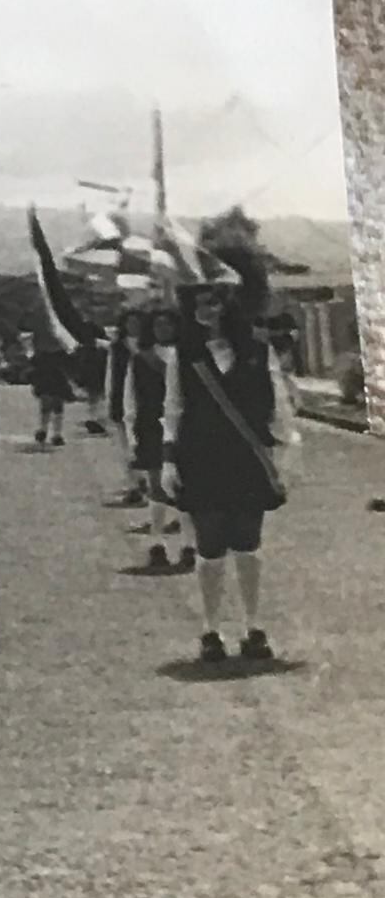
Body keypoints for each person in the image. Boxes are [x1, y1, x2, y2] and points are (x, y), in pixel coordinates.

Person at [162, 275, 300, 663]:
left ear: (228, 306)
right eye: (199, 304)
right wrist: (169, 459)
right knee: (209, 545)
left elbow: (278, 403)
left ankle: (253, 627)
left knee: (248, 542)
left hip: (246, 455)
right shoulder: (183, 354)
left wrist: (288, 450)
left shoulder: (257, 349)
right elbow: (173, 409)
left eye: (214, 302)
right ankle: (210, 630)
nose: (207, 311)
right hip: (200, 457)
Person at [124, 307, 196, 570]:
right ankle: (157, 543)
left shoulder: (189, 357)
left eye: (167, 325)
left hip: (184, 427)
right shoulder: (141, 359)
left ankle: (190, 545)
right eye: (157, 325)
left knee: (187, 488)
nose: (162, 330)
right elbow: (130, 398)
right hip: (151, 427)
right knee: (157, 488)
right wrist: (131, 434)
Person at [110, 309, 149, 504]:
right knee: (127, 446)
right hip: (121, 398)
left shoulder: (150, 346)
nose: (133, 326)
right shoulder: (118, 347)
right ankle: (134, 484)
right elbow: (112, 374)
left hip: (146, 398)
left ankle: (145, 482)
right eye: (130, 322)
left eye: (136, 322)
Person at [26, 326, 74, 446]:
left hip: (56, 378)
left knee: (56, 404)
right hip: (47, 377)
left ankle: (55, 433)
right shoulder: (42, 351)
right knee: (47, 403)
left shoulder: (61, 351)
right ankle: (45, 430)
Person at [71, 323, 109, 435]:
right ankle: (96, 420)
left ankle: (97, 420)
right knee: (96, 398)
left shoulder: (86, 348)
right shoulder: (85, 348)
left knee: (96, 398)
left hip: (97, 374)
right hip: (94, 374)